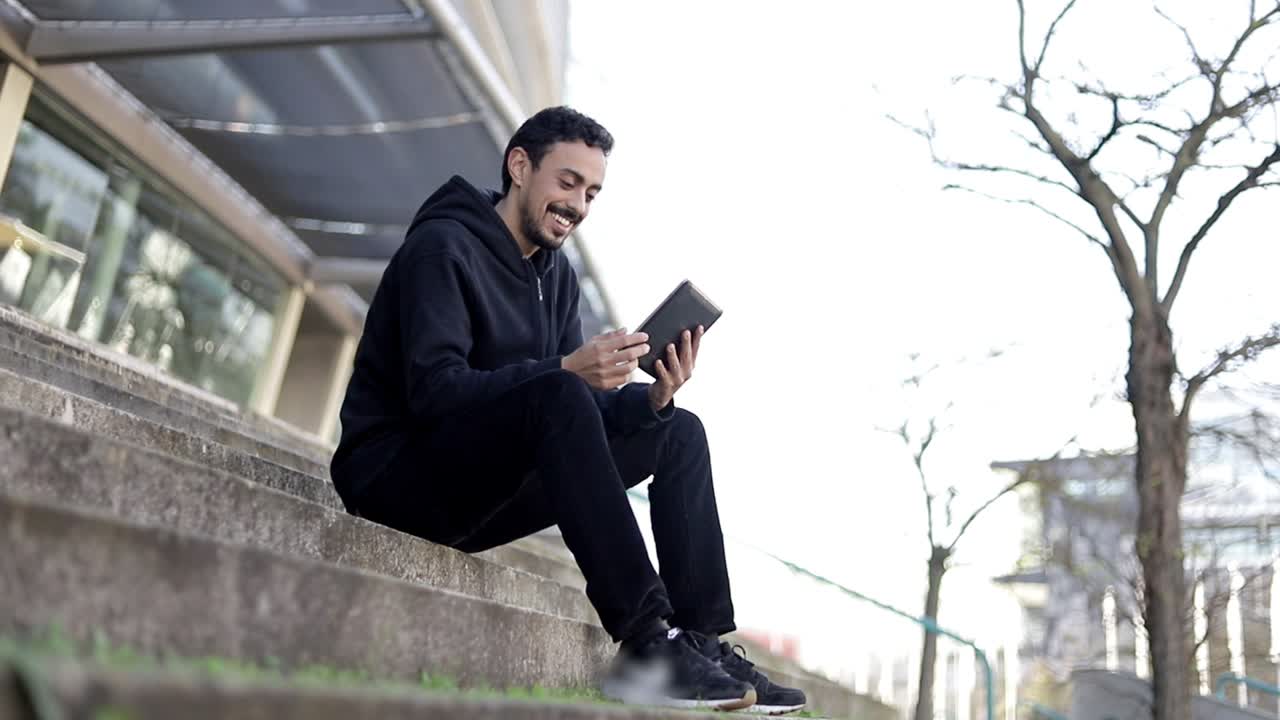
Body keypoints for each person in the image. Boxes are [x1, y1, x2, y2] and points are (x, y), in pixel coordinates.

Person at [330, 106, 806, 715]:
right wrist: (564, 372)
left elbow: (569, 410)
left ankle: (701, 641)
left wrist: (652, 401)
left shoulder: (555, 277)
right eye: (567, 182)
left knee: (678, 430)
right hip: (394, 477)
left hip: (477, 490)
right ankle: (644, 644)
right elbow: (436, 393)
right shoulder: (442, 247)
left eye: (592, 192)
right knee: (559, 392)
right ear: (520, 166)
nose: (577, 204)